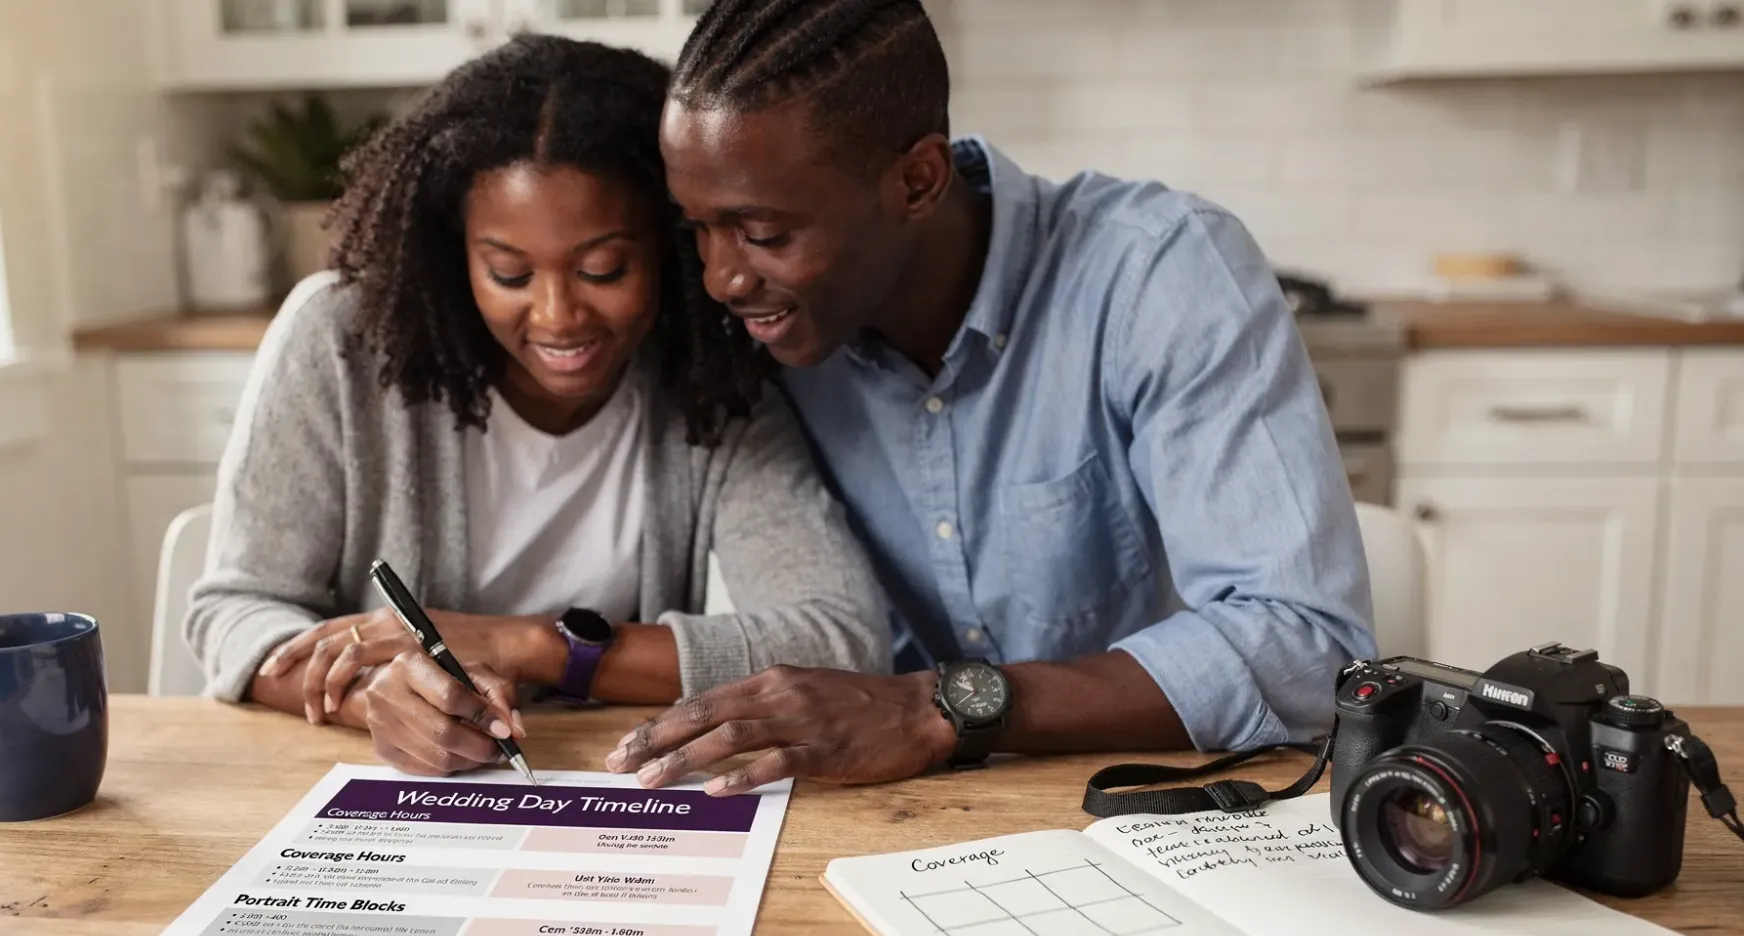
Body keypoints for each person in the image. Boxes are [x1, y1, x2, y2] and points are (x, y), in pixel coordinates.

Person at [608, 0, 1374, 798]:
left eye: (764, 234)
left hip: (1148, 798)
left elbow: (1308, 645)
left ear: (917, 179)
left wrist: (934, 708)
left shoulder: (1157, 273)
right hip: (891, 809)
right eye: (696, 228)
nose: (720, 277)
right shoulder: (763, 329)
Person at [186, 34, 890, 778]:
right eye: (509, 273)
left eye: (602, 268)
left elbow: (840, 639)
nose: (558, 316)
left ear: (672, 243)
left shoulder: (708, 371)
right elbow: (235, 611)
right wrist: (379, 695)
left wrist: (535, 645)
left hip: (610, 783)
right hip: (378, 792)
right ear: (457, 252)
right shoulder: (342, 339)